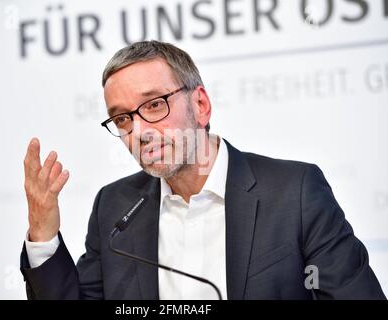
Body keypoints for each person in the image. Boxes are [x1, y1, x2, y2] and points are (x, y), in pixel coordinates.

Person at [20, 40, 386, 300]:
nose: (141, 131)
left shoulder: (295, 193)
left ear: (201, 104)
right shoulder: (115, 208)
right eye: (122, 118)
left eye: (154, 105)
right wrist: (43, 231)